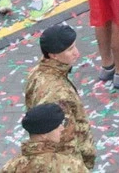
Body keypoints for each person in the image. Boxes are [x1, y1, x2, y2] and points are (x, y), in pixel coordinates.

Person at [25, 23, 96, 170]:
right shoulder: (57, 93)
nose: (77, 53)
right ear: (53, 55)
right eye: (70, 50)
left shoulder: (38, 71)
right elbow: (64, 140)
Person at [6, 103, 88, 173]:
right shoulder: (72, 166)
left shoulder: (12, 167)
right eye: (56, 126)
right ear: (44, 133)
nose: (62, 128)